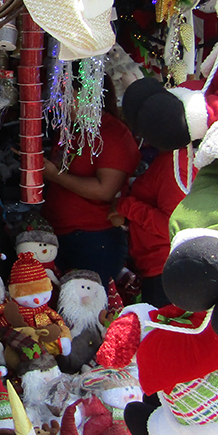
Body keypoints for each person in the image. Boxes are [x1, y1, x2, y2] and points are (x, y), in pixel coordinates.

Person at [42, 78, 140, 287]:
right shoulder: (70, 127)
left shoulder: (112, 134)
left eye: (66, 97)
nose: (61, 103)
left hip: (94, 239)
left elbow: (105, 190)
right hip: (59, 232)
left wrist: (53, 175)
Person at [110, 146, 195, 306]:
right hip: (167, 268)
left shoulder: (175, 161)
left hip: (167, 270)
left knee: (164, 329)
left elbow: (171, 226)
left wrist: (125, 206)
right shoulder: (179, 159)